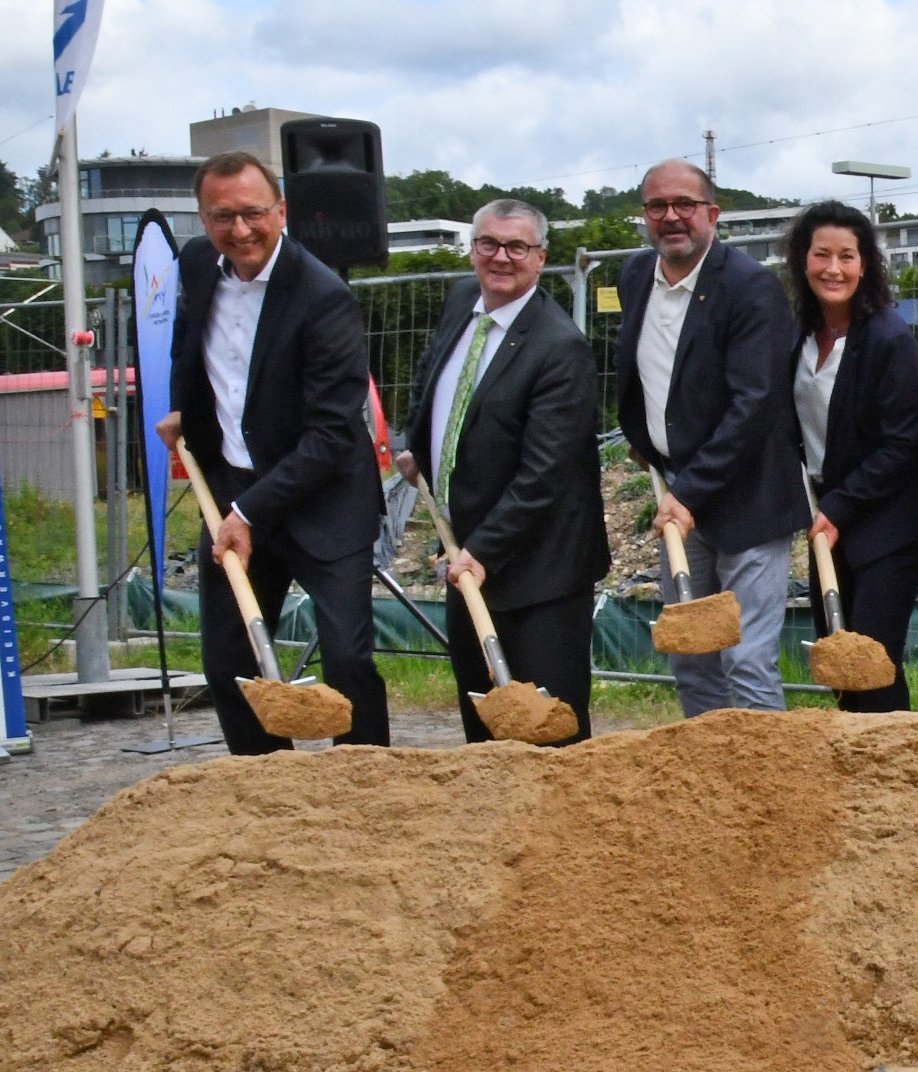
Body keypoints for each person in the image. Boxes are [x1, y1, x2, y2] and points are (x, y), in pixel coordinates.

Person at [156, 149, 388, 755]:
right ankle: (267, 789)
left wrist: (249, 511)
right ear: (203, 220)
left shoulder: (322, 295)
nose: (240, 231)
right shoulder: (199, 264)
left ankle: (372, 789)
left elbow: (333, 432)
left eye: (254, 214)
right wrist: (189, 412)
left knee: (346, 657)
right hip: (233, 485)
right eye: (221, 217)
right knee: (229, 660)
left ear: (281, 211)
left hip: (325, 498)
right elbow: (193, 349)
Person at [396, 199, 608, 745]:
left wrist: (482, 550)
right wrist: (420, 444)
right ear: (472, 250)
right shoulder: (465, 300)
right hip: (468, 554)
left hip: (540, 573)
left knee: (547, 732)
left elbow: (545, 474)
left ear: (540, 258)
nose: (500, 257)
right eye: (488, 243)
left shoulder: (560, 348)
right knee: (485, 721)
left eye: (517, 247)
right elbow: (432, 376)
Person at [616, 160, 807, 716]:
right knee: (692, 654)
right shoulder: (634, 277)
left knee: (746, 658)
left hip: (747, 497)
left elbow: (755, 404)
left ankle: (763, 782)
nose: (671, 217)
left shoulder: (751, 288)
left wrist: (688, 491)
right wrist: (647, 440)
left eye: (684, 205)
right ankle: (707, 783)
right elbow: (646, 372)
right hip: (677, 489)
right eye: (657, 206)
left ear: (712, 215)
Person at [784, 201, 918, 712]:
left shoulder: (887, 338)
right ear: (802, 261)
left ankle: (893, 769)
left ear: (865, 264)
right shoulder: (798, 335)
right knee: (838, 658)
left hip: (887, 517)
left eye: (847, 256)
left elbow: (904, 443)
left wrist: (840, 506)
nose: (834, 268)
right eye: (822, 254)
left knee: (870, 659)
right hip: (829, 512)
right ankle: (855, 767)